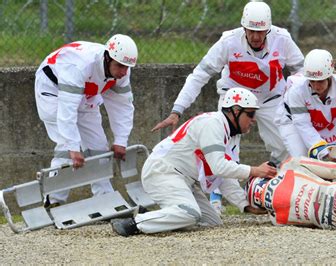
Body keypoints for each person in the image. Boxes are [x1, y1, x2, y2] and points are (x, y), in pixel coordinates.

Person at [152, 1, 304, 213]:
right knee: (223, 150)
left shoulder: (283, 38)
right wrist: (177, 109)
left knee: (284, 144)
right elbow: (200, 74)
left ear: (269, 29)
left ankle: (274, 189)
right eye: (251, 31)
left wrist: (298, 102)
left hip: (271, 98)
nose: (256, 37)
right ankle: (216, 196)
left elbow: (302, 70)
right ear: (244, 28)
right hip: (234, 102)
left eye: (261, 32)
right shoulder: (228, 41)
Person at [111, 88, 277, 237]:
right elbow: (219, 166)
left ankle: (157, 216)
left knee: (212, 222)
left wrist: (246, 205)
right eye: (251, 114)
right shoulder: (212, 124)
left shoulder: (233, 135)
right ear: (235, 111)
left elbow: (224, 176)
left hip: (182, 178)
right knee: (190, 213)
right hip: (162, 171)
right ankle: (134, 223)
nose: (254, 120)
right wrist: (255, 170)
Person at [34, 34, 138, 208]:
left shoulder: (121, 70)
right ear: (107, 57)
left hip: (85, 93)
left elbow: (123, 106)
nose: (123, 73)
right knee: (65, 148)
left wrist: (121, 140)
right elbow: (67, 110)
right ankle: (52, 202)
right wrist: (74, 147)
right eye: (120, 66)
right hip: (53, 90)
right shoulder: (79, 65)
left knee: (98, 147)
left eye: (127, 67)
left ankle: (104, 199)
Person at [275, 49, 336, 163]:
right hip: (292, 120)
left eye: (320, 81)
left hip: (327, 120)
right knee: (303, 160)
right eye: (312, 81)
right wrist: (324, 152)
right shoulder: (297, 90)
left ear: (329, 76)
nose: (316, 86)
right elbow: (303, 125)